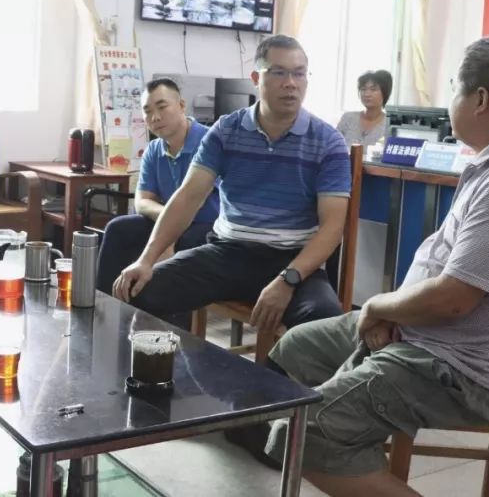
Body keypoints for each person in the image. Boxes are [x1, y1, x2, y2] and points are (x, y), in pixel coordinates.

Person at [262, 36, 489, 497]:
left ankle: (329, 447)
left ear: (480, 99)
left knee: (301, 435)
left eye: (454, 88)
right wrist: (393, 314)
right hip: (426, 335)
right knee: (296, 348)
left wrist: (380, 307)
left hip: (463, 371)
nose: (450, 99)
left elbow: (453, 300)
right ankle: (344, 447)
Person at [112, 34, 350, 337]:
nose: (291, 83)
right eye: (279, 72)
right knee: (139, 290)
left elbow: (332, 227)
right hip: (227, 253)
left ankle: (270, 372)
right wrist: (146, 260)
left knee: (324, 324)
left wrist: (288, 280)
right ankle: (170, 366)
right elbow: (188, 197)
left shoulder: (328, 142)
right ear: (256, 78)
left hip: (293, 261)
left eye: (299, 73)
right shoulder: (226, 130)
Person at [95, 78, 220, 295]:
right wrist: (167, 221)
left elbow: (194, 202)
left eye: (162, 107)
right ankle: (105, 303)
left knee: (185, 241)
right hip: (170, 219)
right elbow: (143, 202)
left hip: (208, 225)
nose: (155, 117)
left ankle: (170, 314)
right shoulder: (153, 149)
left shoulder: (210, 142)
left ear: (181, 105)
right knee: (118, 228)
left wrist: (169, 230)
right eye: (148, 111)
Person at [336, 69, 391, 147]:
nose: (367, 94)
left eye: (373, 90)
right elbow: (333, 145)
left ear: (384, 93)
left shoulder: (389, 125)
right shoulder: (348, 118)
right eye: (363, 89)